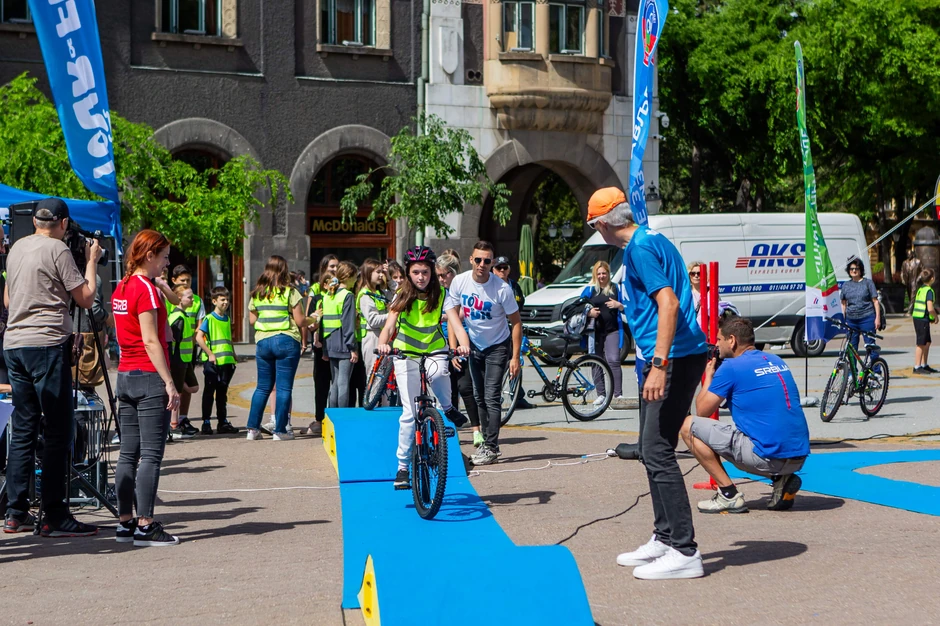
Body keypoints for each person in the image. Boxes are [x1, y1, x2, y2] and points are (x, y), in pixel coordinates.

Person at [587, 187, 708, 580]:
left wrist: (658, 364)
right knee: (652, 447)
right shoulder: (651, 239)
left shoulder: (638, 248)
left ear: (602, 224)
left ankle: (685, 551)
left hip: (672, 358)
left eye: (594, 225)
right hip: (674, 355)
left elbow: (669, 302)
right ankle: (665, 537)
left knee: (655, 450)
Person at [3, 198, 102, 537]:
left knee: (24, 427)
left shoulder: (17, 248)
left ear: (34, 221)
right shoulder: (58, 250)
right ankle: (55, 515)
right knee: (59, 430)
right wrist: (91, 261)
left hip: (15, 344)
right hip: (46, 344)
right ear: (63, 223)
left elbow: (8, 300)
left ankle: (15, 512)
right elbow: (85, 298)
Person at [681, 316, 810, 514]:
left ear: (732, 340)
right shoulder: (776, 360)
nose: (717, 345)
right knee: (756, 428)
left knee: (688, 425)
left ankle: (728, 495)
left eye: (719, 339)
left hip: (767, 456)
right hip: (798, 455)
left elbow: (702, 411)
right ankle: (781, 479)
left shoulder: (731, 367)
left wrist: (709, 376)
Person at [376, 246, 470, 489]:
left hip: (434, 349)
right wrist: (382, 344)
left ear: (432, 272)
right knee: (409, 414)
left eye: (425, 272)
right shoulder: (401, 295)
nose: (421, 277)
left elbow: (456, 325)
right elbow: (389, 326)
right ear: (408, 273)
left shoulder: (442, 294)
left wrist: (464, 345)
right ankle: (403, 468)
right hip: (405, 353)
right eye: (416, 272)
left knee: (438, 373)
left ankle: (447, 408)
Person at [111, 229, 182, 546]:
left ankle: (125, 522)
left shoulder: (122, 287)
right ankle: (146, 524)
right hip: (149, 375)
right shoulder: (145, 290)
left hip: (126, 373)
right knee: (151, 455)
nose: (167, 263)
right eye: (164, 257)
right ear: (149, 256)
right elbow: (152, 341)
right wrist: (170, 382)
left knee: (128, 453)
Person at [445, 241, 522, 466]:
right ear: (471, 260)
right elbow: (453, 315)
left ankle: (492, 447)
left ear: (492, 263)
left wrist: (515, 357)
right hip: (474, 345)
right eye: (478, 260)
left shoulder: (501, 289)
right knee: (479, 396)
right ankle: (486, 445)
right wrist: (454, 348)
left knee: (491, 397)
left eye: (487, 261)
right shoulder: (460, 281)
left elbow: (516, 323)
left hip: (497, 346)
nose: (482, 264)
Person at [246, 255, 306, 440]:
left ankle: (252, 429)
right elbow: (300, 321)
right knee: (283, 388)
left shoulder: (258, 293)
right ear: (284, 270)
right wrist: (315, 318)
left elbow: (252, 320)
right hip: (286, 340)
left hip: (263, 342)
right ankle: (280, 431)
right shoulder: (290, 292)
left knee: (262, 387)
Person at [437, 254, 482, 446]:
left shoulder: (463, 288)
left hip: (463, 342)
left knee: (465, 387)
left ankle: (476, 430)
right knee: (449, 390)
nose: (441, 279)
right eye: (438, 275)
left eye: (444, 275)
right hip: (441, 344)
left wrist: (455, 349)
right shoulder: (439, 292)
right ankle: (451, 430)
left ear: (453, 273)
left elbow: (457, 318)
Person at [195, 286, 239, 435]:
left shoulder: (227, 319)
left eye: (227, 299)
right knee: (209, 392)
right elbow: (199, 337)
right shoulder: (209, 318)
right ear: (214, 301)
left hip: (226, 361)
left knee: (222, 394)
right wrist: (210, 354)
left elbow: (228, 339)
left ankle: (222, 422)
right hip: (213, 363)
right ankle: (206, 422)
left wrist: (233, 354)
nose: (226, 302)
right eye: (222, 300)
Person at [581, 261, 626, 404]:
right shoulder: (589, 289)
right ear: (595, 274)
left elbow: (627, 307)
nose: (601, 276)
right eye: (599, 273)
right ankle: (601, 394)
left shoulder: (616, 288)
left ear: (608, 273)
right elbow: (579, 307)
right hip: (594, 332)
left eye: (604, 273)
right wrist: (589, 312)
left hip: (612, 330)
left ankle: (617, 395)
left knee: (614, 360)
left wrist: (619, 305)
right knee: (596, 361)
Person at [169, 265, 204, 436]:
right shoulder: (174, 310)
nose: (187, 283)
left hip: (187, 353)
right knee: (176, 391)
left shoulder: (196, 302)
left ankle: (179, 420)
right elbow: (172, 338)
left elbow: (199, 325)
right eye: (183, 281)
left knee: (191, 387)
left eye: (189, 280)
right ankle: (174, 424)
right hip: (177, 357)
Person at [321, 261, 360, 408]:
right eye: (355, 277)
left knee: (335, 381)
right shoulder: (347, 295)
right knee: (344, 381)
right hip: (343, 342)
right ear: (348, 277)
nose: (356, 280)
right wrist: (353, 347)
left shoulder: (328, 295)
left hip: (330, 341)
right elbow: (348, 324)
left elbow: (324, 322)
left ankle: (332, 413)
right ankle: (342, 413)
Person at [308, 255, 339, 431]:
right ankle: (320, 419)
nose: (335, 270)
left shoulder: (343, 294)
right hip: (321, 346)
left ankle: (336, 418)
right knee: (321, 383)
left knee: (339, 383)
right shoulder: (317, 295)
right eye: (332, 266)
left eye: (337, 266)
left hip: (339, 345)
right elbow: (309, 320)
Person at [357, 258, 391, 395]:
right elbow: (373, 320)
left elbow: (396, 293)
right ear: (368, 273)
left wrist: (389, 278)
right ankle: (372, 403)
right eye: (378, 272)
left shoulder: (379, 292)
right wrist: (392, 315)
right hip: (372, 337)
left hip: (382, 336)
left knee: (385, 378)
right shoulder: (365, 295)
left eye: (382, 272)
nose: (381, 275)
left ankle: (383, 404)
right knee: (374, 376)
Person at [841, 258, 881, 357]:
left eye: (856, 268)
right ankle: (852, 367)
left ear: (861, 270)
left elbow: (875, 301)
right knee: (851, 347)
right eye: (852, 269)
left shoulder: (868, 283)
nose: (854, 271)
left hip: (867, 318)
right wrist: (843, 319)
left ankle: (875, 366)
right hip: (851, 320)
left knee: (870, 345)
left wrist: (877, 318)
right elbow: (843, 303)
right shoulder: (846, 285)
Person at [912, 269, 938, 373]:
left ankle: (924, 364)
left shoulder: (921, 289)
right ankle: (917, 366)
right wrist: (936, 317)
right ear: (932, 278)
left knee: (927, 342)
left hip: (918, 317)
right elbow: (930, 308)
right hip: (922, 319)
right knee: (921, 343)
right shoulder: (929, 291)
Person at [901, 249, 922, 315]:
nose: (908, 255)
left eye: (909, 254)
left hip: (914, 281)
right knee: (910, 297)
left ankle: (909, 312)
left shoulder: (918, 262)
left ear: (912, 254)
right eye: (907, 254)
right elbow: (902, 272)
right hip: (908, 281)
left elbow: (922, 271)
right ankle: (914, 309)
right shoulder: (904, 262)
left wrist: (918, 278)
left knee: (913, 296)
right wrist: (902, 279)